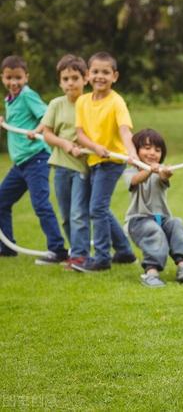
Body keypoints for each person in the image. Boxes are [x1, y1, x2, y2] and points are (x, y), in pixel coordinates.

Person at [71, 52, 138, 272]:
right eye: (96, 72)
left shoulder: (116, 102)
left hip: (112, 162)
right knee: (100, 208)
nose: (100, 76)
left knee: (97, 208)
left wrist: (133, 155)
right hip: (93, 160)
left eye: (106, 72)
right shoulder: (82, 101)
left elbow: (125, 131)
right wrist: (94, 147)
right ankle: (124, 251)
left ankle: (101, 258)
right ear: (88, 75)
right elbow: (79, 133)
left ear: (115, 76)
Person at [0, 55, 68, 264]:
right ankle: (7, 246)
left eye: (18, 78)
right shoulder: (9, 99)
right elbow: (18, 120)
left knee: (40, 204)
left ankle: (57, 250)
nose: (14, 82)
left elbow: (47, 115)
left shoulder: (28, 95)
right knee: (1, 201)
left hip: (36, 158)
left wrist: (37, 130)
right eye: (9, 77)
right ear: (2, 77)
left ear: (26, 78)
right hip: (20, 164)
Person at [123, 129, 183, 288]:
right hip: (138, 221)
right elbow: (135, 180)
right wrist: (149, 169)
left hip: (162, 218)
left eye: (157, 150)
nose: (152, 153)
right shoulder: (130, 170)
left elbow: (163, 178)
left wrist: (166, 172)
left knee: (177, 223)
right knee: (153, 231)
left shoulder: (160, 170)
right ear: (136, 150)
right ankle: (151, 273)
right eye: (147, 148)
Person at [40, 54, 91, 269]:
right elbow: (47, 133)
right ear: (60, 82)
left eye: (75, 78)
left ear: (85, 79)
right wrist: (64, 144)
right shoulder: (56, 104)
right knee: (66, 215)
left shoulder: (90, 103)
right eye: (66, 78)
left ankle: (80, 256)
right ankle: (75, 252)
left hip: (82, 167)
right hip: (61, 166)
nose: (70, 82)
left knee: (79, 213)